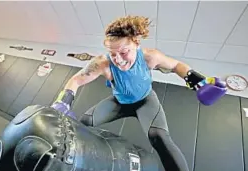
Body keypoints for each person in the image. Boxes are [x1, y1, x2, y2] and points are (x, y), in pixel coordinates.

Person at [52, 16, 227, 171]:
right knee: (82, 124)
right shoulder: (102, 63)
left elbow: (175, 66)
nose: (118, 59)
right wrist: (63, 102)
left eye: (123, 52)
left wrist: (197, 80)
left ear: (136, 43)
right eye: (113, 54)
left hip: (146, 102)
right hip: (119, 103)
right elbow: (76, 80)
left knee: (158, 137)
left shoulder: (150, 57)